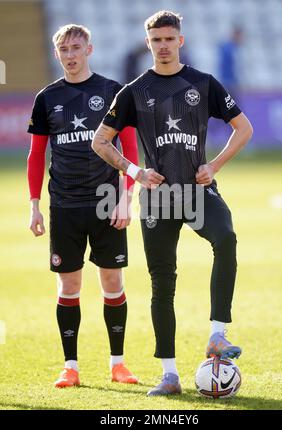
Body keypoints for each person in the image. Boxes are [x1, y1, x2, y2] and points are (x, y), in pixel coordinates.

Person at [91, 11, 253, 396]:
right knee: (162, 284)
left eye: (169, 39)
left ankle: (217, 335)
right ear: (147, 43)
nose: (162, 45)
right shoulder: (133, 91)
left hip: (197, 191)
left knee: (226, 238)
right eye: (155, 40)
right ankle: (169, 375)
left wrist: (213, 165)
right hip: (158, 197)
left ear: (180, 41)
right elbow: (100, 141)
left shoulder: (202, 83)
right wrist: (135, 172)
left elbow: (243, 128)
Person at [27, 24, 139, 388]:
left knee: (112, 280)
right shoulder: (47, 98)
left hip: (107, 201)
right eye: (63, 49)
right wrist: (34, 205)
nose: (70, 54)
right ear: (56, 53)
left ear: (89, 49)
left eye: (76, 47)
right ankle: (70, 367)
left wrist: (127, 196)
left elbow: (130, 149)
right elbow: (36, 154)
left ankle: (118, 364)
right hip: (64, 204)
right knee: (68, 286)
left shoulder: (111, 92)